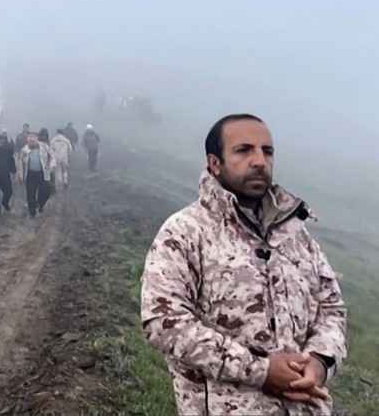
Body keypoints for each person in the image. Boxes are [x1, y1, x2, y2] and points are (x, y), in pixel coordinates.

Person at [141, 114, 346, 415]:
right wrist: (260, 371)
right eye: (244, 150)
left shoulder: (296, 235)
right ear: (215, 163)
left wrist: (319, 361)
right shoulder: (186, 231)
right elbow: (163, 321)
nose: (260, 161)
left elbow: (331, 309)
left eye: (267, 151)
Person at [17, 129, 55, 217]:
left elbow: (53, 157)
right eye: (29, 139)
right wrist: (20, 175)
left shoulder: (44, 147)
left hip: (43, 173)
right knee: (30, 193)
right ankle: (32, 212)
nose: (31, 141)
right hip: (30, 174)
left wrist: (51, 166)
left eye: (33, 139)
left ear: (37, 139)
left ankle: (40, 204)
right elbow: (20, 163)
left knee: (46, 192)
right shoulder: (24, 150)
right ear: (27, 140)